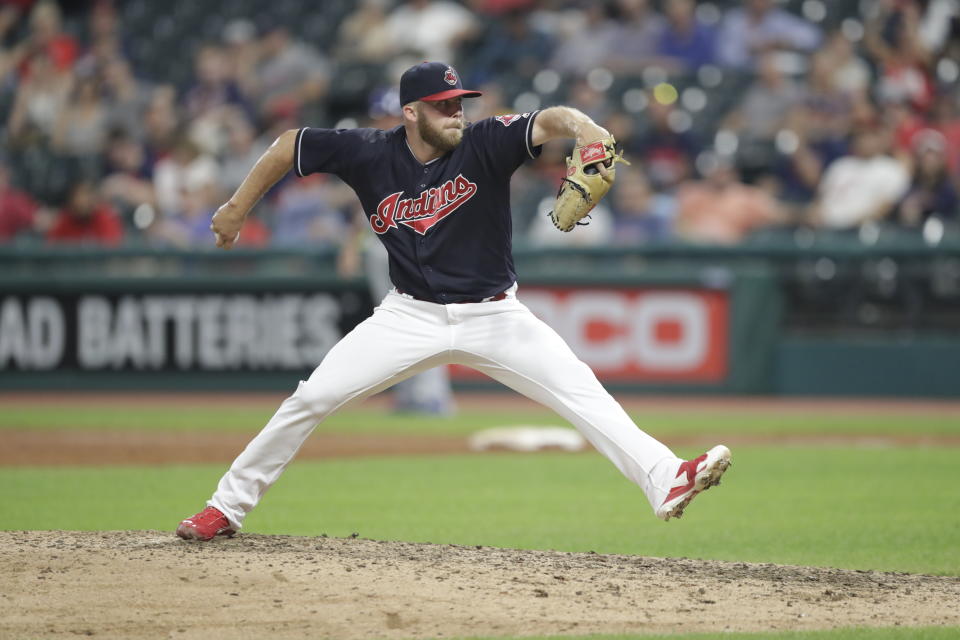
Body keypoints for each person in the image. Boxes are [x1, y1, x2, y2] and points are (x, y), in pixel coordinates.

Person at [176, 62, 731, 541]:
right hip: (408, 315)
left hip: (494, 314)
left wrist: (586, 127)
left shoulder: (487, 141)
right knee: (310, 398)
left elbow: (551, 120)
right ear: (411, 113)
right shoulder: (368, 152)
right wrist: (236, 207)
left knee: (582, 392)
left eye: (459, 103)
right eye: (442, 107)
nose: (456, 114)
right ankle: (225, 508)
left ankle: (666, 479)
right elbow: (286, 145)